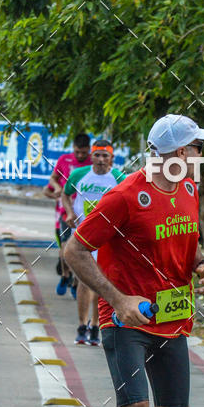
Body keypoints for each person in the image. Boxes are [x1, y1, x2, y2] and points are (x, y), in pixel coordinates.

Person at [65, 114, 204, 407]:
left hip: (172, 320)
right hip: (126, 321)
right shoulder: (125, 196)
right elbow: (74, 250)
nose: (203, 156)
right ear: (181, 152)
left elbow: (188, 243)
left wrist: (203, 265)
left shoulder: (189, 188)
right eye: (199, 148)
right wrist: (117, 300)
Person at [61, 139, 126, 346]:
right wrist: (70, 212)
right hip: (82, 237)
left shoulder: (119, 178)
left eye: (105, 155)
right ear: (91, 156)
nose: (100, 159)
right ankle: (82, 325)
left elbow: (128, 203)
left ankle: (96, 325)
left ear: (111, 158)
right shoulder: (79, 175)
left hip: (106, 239)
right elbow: (65, 194)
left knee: (101, 281)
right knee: (84, 281)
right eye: (97, 155)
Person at [43, 133, 91, 295]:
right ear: (73, 148)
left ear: (89, 150)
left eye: (83, 153)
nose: (80, 156)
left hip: (86, 213)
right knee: (65, 247)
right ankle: (65, 275)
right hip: (66, 211)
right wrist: (57, 189)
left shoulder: (94, 163)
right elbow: (52, 180)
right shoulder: (64, 160)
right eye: (77, 152)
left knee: (81, 250)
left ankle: (76, 282)